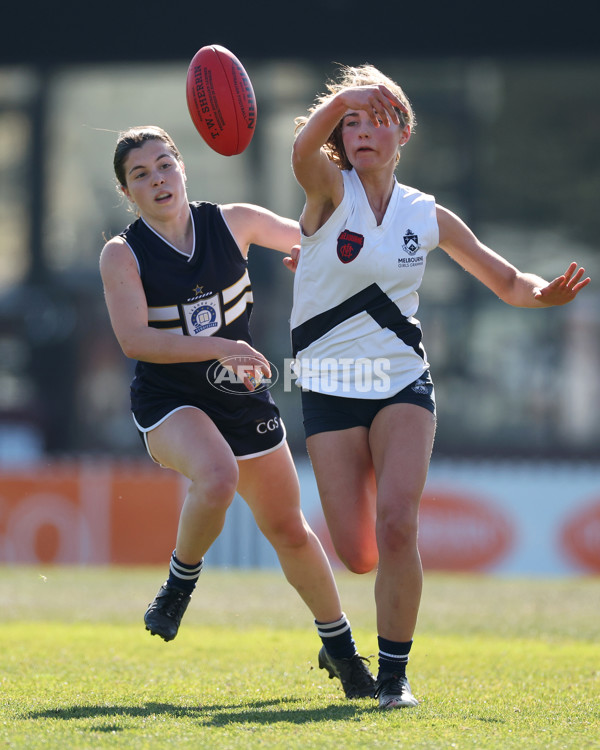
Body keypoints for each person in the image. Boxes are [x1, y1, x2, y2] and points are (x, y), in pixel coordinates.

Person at [289, 65, 591, 709]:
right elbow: (297, 151)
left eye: (378, 118)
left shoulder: (426, 214)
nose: (364, 130)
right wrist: (343, 96)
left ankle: (394, 677)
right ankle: (344, 640)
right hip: (330, 386)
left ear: (403, 131)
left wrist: (547, 293)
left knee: (399, 525)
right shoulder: (325, 188)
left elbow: (509, 282)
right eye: (352, 121)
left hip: (402, 383)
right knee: (360, 555)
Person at [99, 125, 376, 699]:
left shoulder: (235, 221)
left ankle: (342, 651)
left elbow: (313, 239)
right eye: (140, 175)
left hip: (239, 396)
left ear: (182, 166)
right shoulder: (122, 253)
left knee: (289, 531)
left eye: (163, 165)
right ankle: (179, 585)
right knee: (218, 476)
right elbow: (136, 341)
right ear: (128, 192)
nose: (157, 180)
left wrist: (316, 255)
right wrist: (223, 345)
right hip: (169, 402)